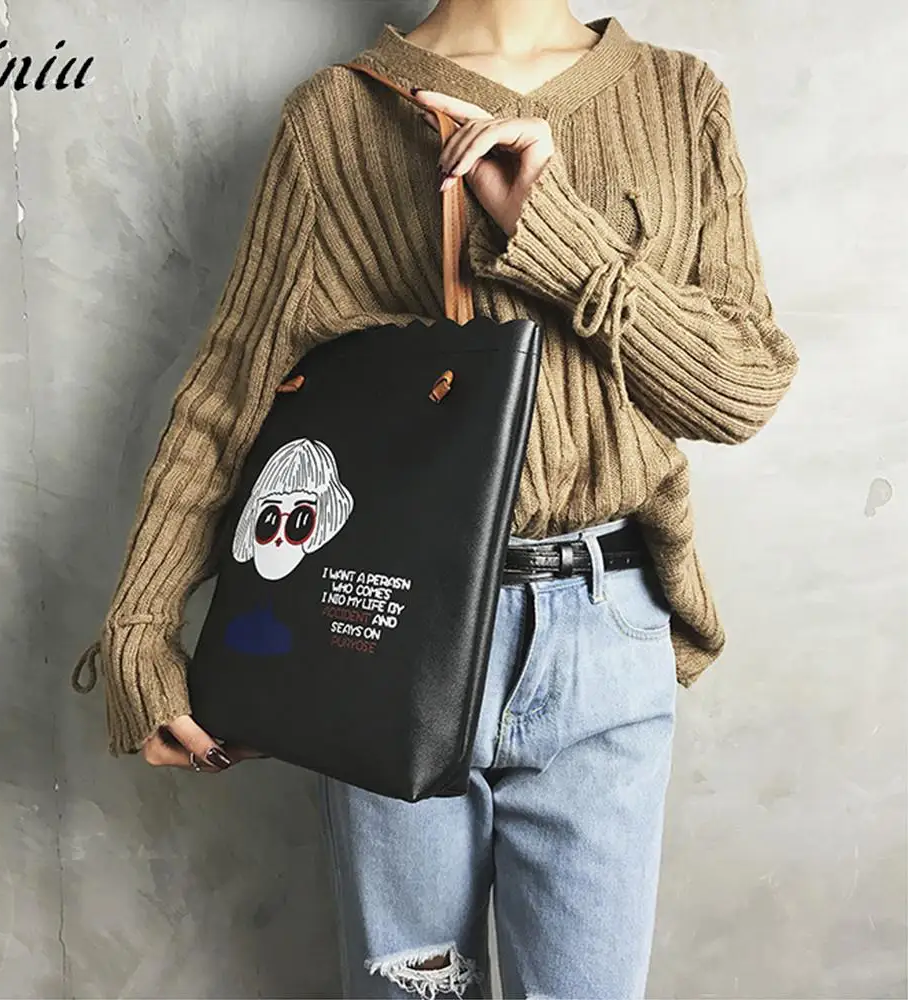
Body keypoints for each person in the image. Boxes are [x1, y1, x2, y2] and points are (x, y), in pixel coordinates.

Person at [71, 1, 800, 996]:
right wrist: (140, 627)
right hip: (389, 636)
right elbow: (231, 395)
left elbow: (741, 393)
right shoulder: (337, 119)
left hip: (605, 632)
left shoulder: (678, 96)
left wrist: (557, 235)